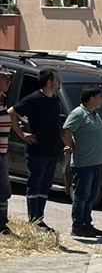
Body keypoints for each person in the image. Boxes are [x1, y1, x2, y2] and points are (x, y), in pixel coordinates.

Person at [8, 69, 63, 233]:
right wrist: (21, 133)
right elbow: (12, 112)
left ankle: (40, 219)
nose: (59, 82)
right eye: (57, 79)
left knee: (45, 186)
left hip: (52, 151)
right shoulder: (34, 99)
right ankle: (33, 219)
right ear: (49, 82)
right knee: (35, 184)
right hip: (37, 150)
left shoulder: (55, 99)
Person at [61, 87, 102, 238]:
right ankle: (77, 226)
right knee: (81, 195)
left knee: (91, 195)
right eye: (99, 97)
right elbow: (65, 132)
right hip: (84, 162)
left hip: (96, 162)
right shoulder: (78, 113)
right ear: (91, 99)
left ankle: (86, 223)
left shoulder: (94, 114)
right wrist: (73, 146)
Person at [0, 65, 13, 235]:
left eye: (9, 78)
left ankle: (2, 223)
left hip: (2, 152)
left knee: (3, 190)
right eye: (4, 78)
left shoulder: (2, 99)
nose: (7, 81)